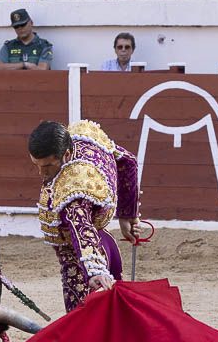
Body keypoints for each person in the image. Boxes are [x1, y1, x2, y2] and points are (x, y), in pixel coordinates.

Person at [28, 119, 141, 312]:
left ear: (67, 154)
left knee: (80, 324)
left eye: (47, 166)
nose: (41, 173)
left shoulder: (73, 188)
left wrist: (94, 271)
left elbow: (81, 228)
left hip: (80, 261)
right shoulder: (85, 139)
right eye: (36, 164)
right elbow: (128, 161)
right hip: (107, 244)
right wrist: (128, 215)